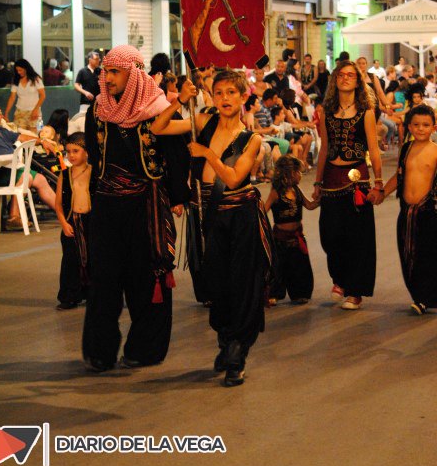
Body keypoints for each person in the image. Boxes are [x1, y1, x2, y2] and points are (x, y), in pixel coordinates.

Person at [152, 69, 274, 387]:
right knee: (216, 283)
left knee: (242, 283)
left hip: (241, 215)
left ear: (243, 97)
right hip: (209, 213)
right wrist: (179, 100)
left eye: (231, 92)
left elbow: (233, 178)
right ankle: (226, 340)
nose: (224, 98)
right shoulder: (203, 121)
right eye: (219, 93)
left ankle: (237, 353)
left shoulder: (252, 139)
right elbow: (158, 127)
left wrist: (207, 153)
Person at [82, 45, 188, 373]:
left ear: (134, 74)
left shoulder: (158, 108)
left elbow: (177, 154)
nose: (108, 78)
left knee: (147, 277)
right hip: (107, 206)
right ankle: (100, 352)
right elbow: (93, 155)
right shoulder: (98, 110)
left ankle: (145, 348)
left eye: (115, 72)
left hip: (146, 206)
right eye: (106, 72)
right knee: (103, 279)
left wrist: (178, 196)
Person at [313, 60, 383, 310]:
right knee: (330, 233)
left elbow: (373, 149)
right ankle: (339, 279)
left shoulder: (366, 111)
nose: (345, 78)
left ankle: (354, 291)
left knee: (357, 237)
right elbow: (323, 149)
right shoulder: (326, 111)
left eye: (350, 75)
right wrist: (317, 182)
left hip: (357, 180)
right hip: (331, 178)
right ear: (335, 79)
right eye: (341, 74)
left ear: (357, 80)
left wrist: (378, 182)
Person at [383, 105, 437, 315]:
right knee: (407, 255)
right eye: (416, 125)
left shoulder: (435, 151)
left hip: (429, 212)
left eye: (425, 125)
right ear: (409, 127)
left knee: (427, 255)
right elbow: (398, 176)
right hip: (406, 212)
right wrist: (381, 193)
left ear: (433, 127)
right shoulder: (406, 149)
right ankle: (419, 296)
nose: (420, 129)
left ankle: (424, 298)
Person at [0, 101, 56, 229]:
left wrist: (42, 141)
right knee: (27, 176)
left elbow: (22, 137)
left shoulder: (1, 130)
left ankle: (64, 213)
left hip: (11, 169)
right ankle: (13, 216)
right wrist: (0, 159)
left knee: (40, 179)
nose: (2, 116)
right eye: (0, 113)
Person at [265, 155, 318, 305]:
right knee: (279, 268)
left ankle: (300, 293)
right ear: (290, 173)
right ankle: (274, 294)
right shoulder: (276, 192)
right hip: (280, 240)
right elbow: (264, 210)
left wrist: (322, 198)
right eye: (298, 172)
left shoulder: (297, 190)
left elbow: (310, 205)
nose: (301, 175)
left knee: (299, 267)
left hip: (297, 238)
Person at [55, 132, 95, 310]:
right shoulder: (64, 175)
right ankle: (70, 296)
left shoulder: (95, 172)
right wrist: (64, 223)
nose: (71, 155)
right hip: (71, 221)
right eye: (68, 151)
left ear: (86, 152)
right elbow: (58, 204)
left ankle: (94, 293)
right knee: (70, 260)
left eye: (76, 151)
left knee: (94, 258)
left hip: (92, 221)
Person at [4, 59, 45, 130]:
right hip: (20, 112)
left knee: (38, 132)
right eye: (17, 70)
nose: (19, 72)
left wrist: (36, 109)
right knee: (18, 133)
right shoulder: (16, 80)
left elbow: (43, 95)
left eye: (20, 70)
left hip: (35, 112)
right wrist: (6, 113)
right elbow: (12, 97)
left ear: (26, 68)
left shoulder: (36, 79)